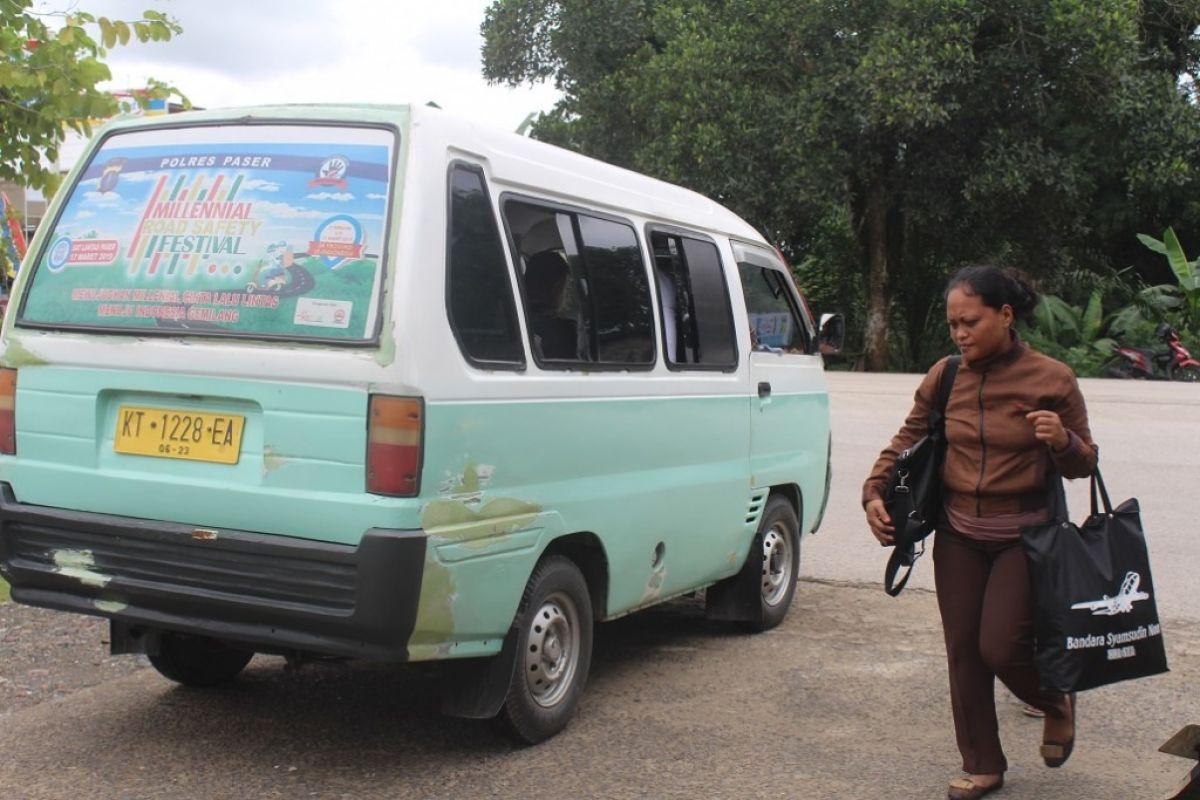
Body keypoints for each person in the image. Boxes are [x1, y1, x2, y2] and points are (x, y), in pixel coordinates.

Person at [862, 265, 1098, 800]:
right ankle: (982, 763)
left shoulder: (1052, 378)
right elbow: (908, 439)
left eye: (970, 322)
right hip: (959, 532)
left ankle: (1056, 698)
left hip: (1025, 535)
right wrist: (874, 490)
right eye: (953, 325)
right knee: (964, 651)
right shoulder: (945, 377)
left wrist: (1061, 440)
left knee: (1001, 645)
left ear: (1005, 316)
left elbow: (1085, 463)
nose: (960, 334)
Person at [523, 250, 577, 360]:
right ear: (556, 288)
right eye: (566, 287)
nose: (567, 294)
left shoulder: (514, 321)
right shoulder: (565, 332)